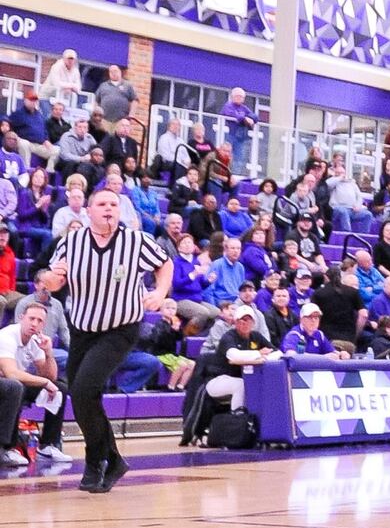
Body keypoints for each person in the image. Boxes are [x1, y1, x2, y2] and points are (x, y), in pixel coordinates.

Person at [34, 186, 172, 492]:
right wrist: (52, 279)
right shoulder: (72, 241)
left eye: (113, 204)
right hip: (82, 328)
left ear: (119, 210)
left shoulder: (135, 241)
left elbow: (165, 264)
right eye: (102, 204)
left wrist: (160, 292)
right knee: (82, 394)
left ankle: (95, 460)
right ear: (89, 211)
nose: (108, 208)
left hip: (121, 327)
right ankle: (111, 459)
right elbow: (57, 279)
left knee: (84, 388)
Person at [0, 300, 69, 465]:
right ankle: (8, 447)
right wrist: (45, 382)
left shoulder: (36, 340)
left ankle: (48, 445)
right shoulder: (7, 336)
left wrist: (48, 353)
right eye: (31, 319)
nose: (34, 324)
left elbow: (50, 376)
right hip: (7, 383)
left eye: (39, 321)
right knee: (16, 387)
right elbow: (11, 373)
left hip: (13, 382)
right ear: (21, 318)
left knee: (60, 388)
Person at [204, 303, 275, 410]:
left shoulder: (256, 336)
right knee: (241, 385)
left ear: (253, 323)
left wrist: (265, 358)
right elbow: (234, 356)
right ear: (235, 322)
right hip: (217, 379)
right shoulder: (228, 336)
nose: (244, 323)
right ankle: (238, 417)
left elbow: (276, 352)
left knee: (259, 383)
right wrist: (258, 354)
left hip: (243, 377)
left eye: (247, 320)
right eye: (241, 320)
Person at [282, 302, 346, 359]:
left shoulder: (319, 334)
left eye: (316, 317)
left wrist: (340, 354)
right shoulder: (294, 334)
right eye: (310, 317)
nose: (313, 320)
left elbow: (332, 352)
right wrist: (323, 357)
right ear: (301, 319)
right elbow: (291, 355)